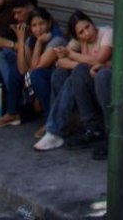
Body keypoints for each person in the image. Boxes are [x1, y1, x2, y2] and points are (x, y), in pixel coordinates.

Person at [34, 9, 113, 154]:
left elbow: (99, 60)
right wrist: (79, 64)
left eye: (87, 27)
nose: (86, 33)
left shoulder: (106, 33)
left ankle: (54, 130)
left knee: (79, 72)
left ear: (92, 22)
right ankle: (70, 126)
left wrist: (72, 56)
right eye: (81, 32)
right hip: (88, 87)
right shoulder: (79, 41)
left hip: (104, 86)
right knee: (60, 74)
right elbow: (60, 62)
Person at [0, 6, 64, 128]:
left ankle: (49, 122)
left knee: (35, 75)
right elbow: (22, 68)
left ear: (49, 23)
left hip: (53, 81)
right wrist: (21, 40)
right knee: (16, 69)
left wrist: (39, 44)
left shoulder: (57, 39)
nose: (38, 29)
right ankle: (12, 112)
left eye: (42, 24)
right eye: (34, 25)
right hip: (36, 79)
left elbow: (36, 67)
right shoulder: (32, 38)